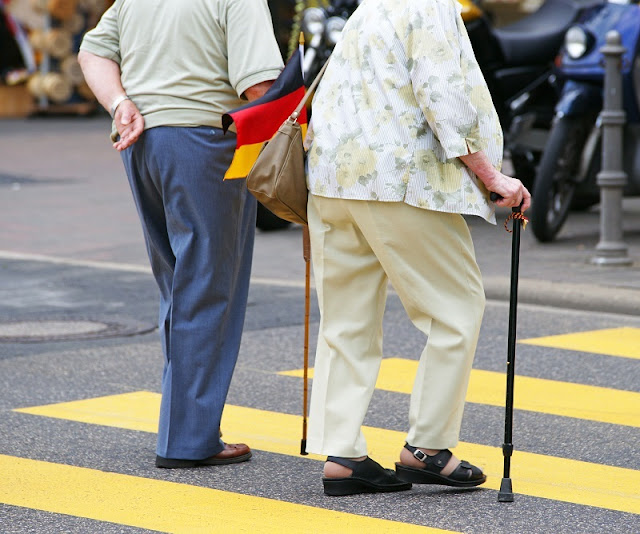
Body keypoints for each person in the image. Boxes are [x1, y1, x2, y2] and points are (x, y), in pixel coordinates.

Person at [303, 0, 531, 496]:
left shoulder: (371, 7)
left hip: (331, 179)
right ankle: (427, 447)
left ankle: (343, 454)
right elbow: (443, 94)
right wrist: (493, 177)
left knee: (346, 323)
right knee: (456, 310)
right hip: (398, 180)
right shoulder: (428, 5)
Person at [78, 0, 283, 468]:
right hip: (204, 142)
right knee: (209, 287)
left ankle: (185, 428)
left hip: (143, 142)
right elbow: (260, 86)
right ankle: (188, 439)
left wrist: (119, 103)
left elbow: (92, 52)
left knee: (179, 284)